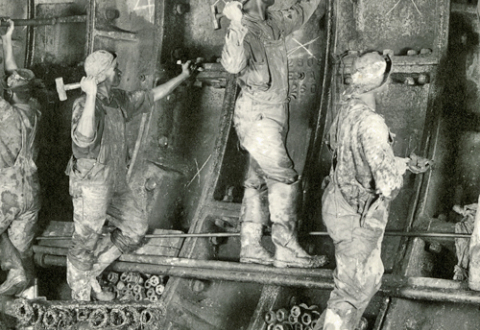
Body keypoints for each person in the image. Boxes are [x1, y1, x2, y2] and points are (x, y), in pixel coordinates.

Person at [66, 50, 192, 301]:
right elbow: (82, 141)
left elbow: (150, 96)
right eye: (115, 67)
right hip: (91, 183)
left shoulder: (116, 99)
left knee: (135, 228)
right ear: (102, 74)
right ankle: (78, 297)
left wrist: (183, 76)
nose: (119, 71)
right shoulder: (83, 104)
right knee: (85, 240)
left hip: (114, 180)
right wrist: (90, 97)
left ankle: (92, 273)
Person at [318, 51, 432, 330]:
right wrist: (395, 174)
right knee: (352, 291)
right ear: (383, 82)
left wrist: (403, 162)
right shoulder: (371, 123)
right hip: (357, 216)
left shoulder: (346, 109)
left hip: (337, 203)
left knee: (365, 281)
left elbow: (346, 154)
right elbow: (388, 185)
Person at [220, 0, 328, 268]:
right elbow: (232, 65)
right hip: (257, 117)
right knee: (284, 178)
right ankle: (287, 248)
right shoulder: (243, 29)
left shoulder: (272, 23)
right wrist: (234, 23)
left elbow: (301, 11)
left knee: (257, 181)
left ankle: (251, 246)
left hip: (272, 115)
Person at [0, 19, 43, 296]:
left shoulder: (6, 113)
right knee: (20, 248)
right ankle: (23, 289)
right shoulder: (35, 108)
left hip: (7, 191)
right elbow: (15, 75)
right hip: (32, 193)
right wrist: (7, 40)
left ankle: (15, 271)